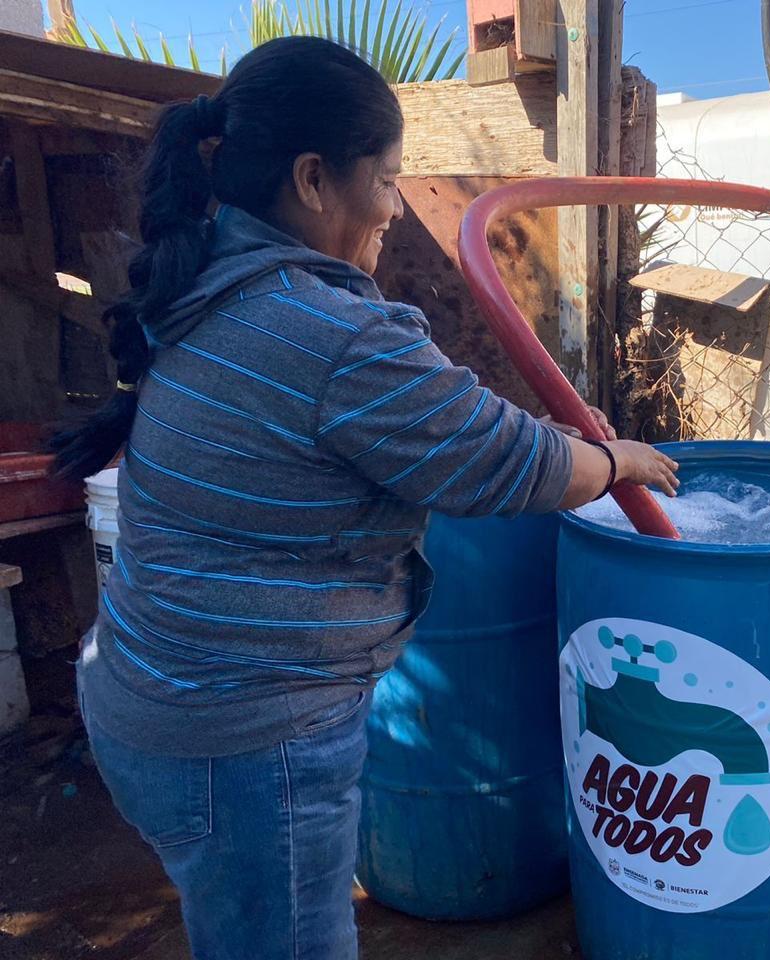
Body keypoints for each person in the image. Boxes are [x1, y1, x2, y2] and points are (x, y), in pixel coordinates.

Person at [52, 37, 679, 960]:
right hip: (243, 742)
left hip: (148, 696)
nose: (394, 207)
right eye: (386, 181)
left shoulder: (202, 287)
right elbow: (510, 463)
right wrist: (619, 459)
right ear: (313, 179)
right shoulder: (330, 332)